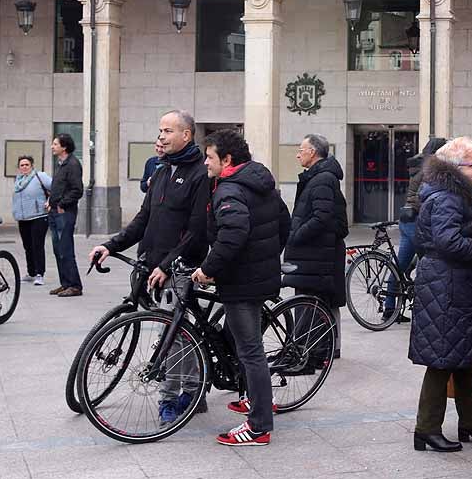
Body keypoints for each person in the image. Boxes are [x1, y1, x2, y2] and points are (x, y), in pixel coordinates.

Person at [89, 110, 211, 424]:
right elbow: (143, 220)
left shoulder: (200, 173)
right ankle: (196, 388)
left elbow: (197, 230)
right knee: (185, 333)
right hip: (151, 264)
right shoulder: (160, 170)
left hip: (182, 268)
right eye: (160, 130)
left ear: (186, 135)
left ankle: (170, 399)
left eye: (168, 131)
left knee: (172, 333)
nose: (161, 136)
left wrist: (170, 265)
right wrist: (110, 245)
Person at [192, 129, 290, 447]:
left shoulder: (230, 189)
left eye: (209, 157)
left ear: (227, 159)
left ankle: (259, 425)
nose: (205, 162)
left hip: (242, 281)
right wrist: (264, 257)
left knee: (251, 352)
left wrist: (208, 269)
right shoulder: (260, 182)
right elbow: (284, 224)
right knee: (240, 343)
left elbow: (233, 234)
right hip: (258, 275)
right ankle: (255, 399)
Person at [410, 137, 472, 452]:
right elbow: (448, 241)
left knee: (467, 356)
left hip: (455, 282)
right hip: (446, 283)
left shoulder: (452, 194)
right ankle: (426, 429)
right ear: (455, 168)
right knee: (442, 360)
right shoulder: (449, 197)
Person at [283, 134, 349, 358]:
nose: (298, 153)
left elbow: (322, 217)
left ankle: (315, 351)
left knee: (312, 303)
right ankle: (325, 349)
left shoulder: (322, 179)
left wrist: (296, 235)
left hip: (316, 253)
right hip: (317, 253)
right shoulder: (317, 177)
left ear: (313, 152)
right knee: (319, 302)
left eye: (301, 149)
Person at [388, 137, 448, 323]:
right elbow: (418, 197)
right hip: (416, 222)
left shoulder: (421, 166)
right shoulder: (429, 169)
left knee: (402, 265)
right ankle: (420, 309)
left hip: (410, 220)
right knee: (426, 264)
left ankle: (390, 308)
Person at [47, 133, 84, 297]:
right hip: (54, 211)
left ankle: (75, 285)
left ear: (64, 147)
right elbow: (59, 187)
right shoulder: (61, 164)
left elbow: (77, 190)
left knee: (66, 249)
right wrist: (50, 201)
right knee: (57, 249)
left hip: (65, 212)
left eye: (55, 144)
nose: (52, 146)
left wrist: (62, 204)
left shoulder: (73, 164)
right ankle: (65, 283)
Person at [11, 155, 51, 286]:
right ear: (18, 167)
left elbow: (55, 188)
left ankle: (40, 274)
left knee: (37, 246)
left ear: (32, 166)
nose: (24, 167)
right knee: (27, 246)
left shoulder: (40, 176)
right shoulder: (18, 180)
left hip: (39, 216)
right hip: (23, 218)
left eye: (27, 165)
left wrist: (49, 201)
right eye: (22, 165)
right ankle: (31, 272)